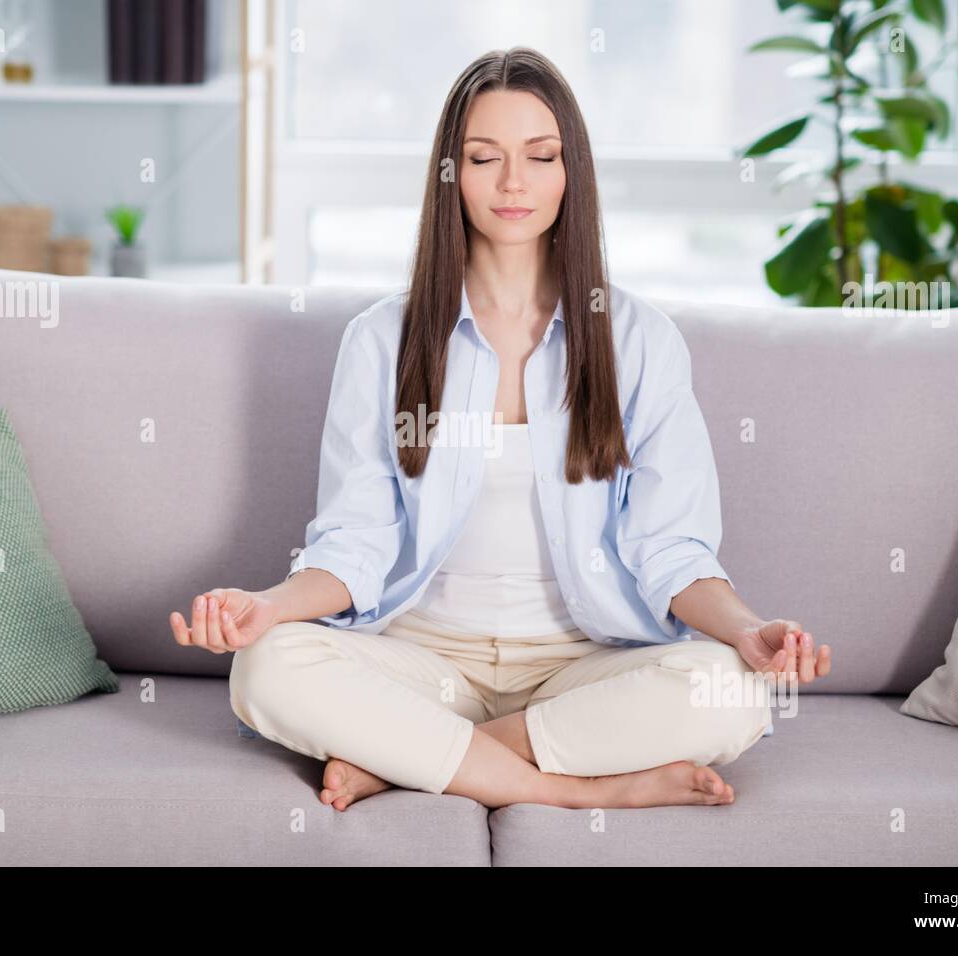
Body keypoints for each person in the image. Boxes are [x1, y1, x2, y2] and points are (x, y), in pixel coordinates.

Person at [170, 47, 830, 812]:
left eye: (540, 157)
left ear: (570, 171)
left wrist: (750, 632)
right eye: (484, 158)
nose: (513, 182)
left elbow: (672, 551)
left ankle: (409, 761)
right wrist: (270, 606)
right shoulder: (381, 340)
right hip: (422, 659)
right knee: (266, 668)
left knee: (730, 690)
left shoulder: (639, 340)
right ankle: (586, 792)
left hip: (581, 663)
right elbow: (355, 544)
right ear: (449, 175)